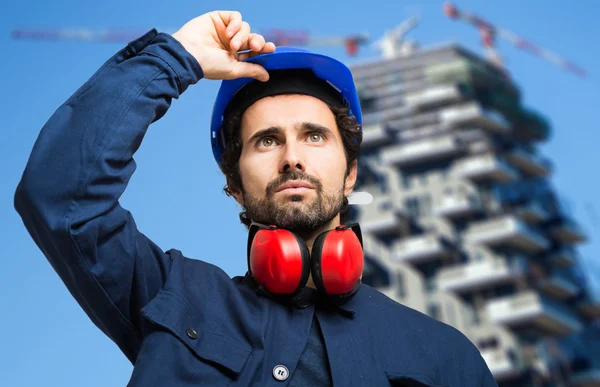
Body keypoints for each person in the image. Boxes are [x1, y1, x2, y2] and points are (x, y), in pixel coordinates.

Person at [15, 10, 498, 387]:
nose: (291, 158)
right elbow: (60, 193)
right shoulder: (173, 297)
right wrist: (176, 56)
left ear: (350, 173)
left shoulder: (445, 358)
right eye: (266, 141)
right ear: (235, 184)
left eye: (314, 136)